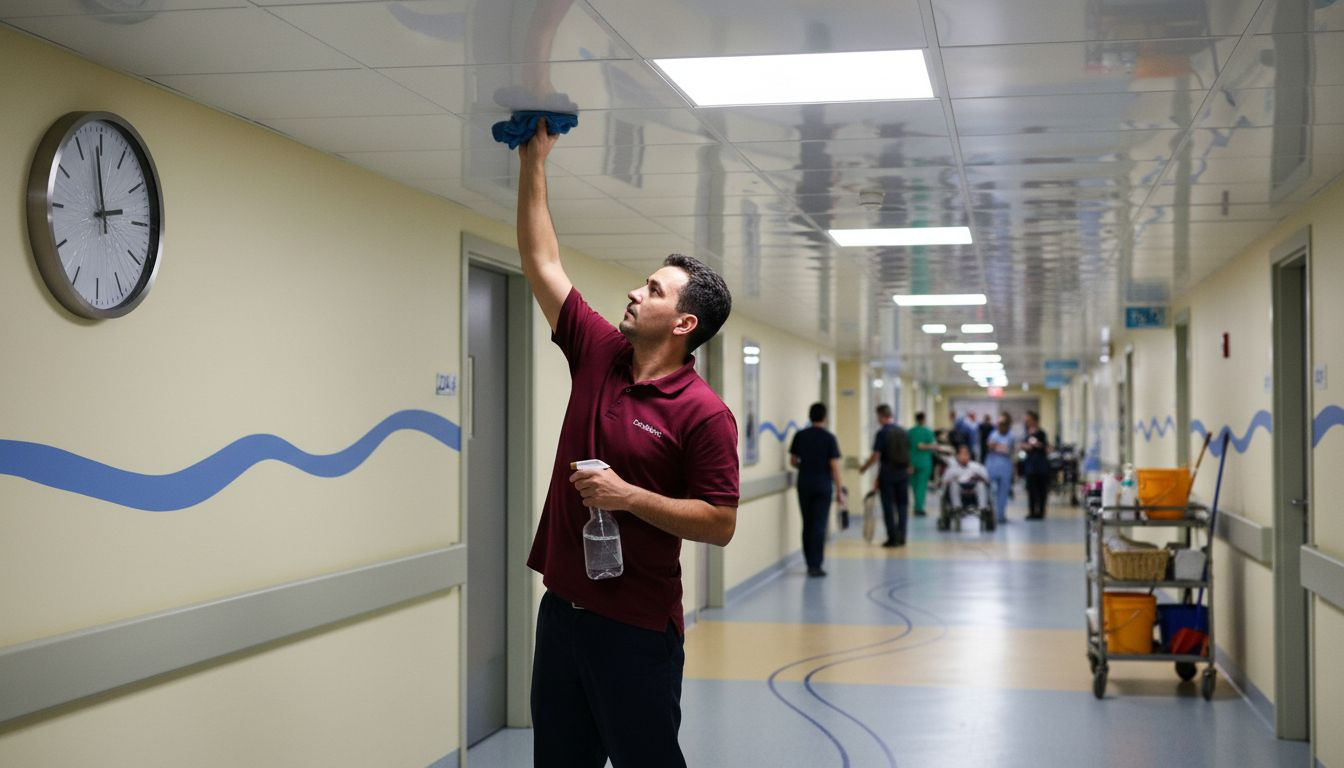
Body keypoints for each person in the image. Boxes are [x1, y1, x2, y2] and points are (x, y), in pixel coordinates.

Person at [517, 118, 739, 768]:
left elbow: (721, 522)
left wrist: (627, 496)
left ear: (684, 322)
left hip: (637, 627)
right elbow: (542, 262)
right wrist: (535, 162)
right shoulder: (600, 354)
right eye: (643, 284)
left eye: (653, 290)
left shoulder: (704, 414)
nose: (635, 294)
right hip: (562, 614)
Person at [789, 402, 843, 577]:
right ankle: (816, 565)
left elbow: (793, 461)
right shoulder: (829, 438)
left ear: (810, 416)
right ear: (825, 417)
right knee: (819, 525)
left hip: (804, 483)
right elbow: (834, 466)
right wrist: (840, 491)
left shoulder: (800, 435)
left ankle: (809, 563)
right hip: (823, 485)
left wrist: (806, 466)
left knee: (807, 524)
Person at [858, 404, 909, 547]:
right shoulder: (903, 432)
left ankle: (892, 538)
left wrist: (864, 468)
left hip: (888, 474)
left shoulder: (882, 433)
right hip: (903, 474)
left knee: (888, 507)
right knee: (902, 506)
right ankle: (902, 536)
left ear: (881, 416)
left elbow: (875, 456)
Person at [984, 413, 1017, 524]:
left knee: (1003, 492)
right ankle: (991, 514)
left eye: (1003, 424)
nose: (1000, 427)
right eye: (999, 424)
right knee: (991, 490)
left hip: (1005, 466)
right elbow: (990, 446)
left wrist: (998, 447)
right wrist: (1000, 447)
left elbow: (1010, 450)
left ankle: (1001, 515)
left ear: (1007, 425)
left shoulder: (1011, 436)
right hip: (992, 465)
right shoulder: (994, 434)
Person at [941, 443, 991, 511]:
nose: (964, 457)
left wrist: (978, 478)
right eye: (962, 454)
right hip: (959, 489)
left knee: (981, 485)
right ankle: (957, 508)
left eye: (966, 454)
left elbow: (987, 479)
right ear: (957, 456)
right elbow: (945, 482)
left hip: (973, 490)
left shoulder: (977, 467)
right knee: (953, 485)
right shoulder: (952, 469)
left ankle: (982, 508)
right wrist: (953, 480)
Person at [907, 411, 938, 518]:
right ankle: (919, 508)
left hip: (911, 461)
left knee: (915, 486)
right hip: (924, 462)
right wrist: (931, 446)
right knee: (922, 486)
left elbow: (907, 448)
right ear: (924, 419)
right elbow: (931, 446)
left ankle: (916, 505)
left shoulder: (909, 432)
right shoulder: (928, 432)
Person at [1022, 410, 1050, 519]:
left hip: (1041, 466)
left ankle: (1041, 512)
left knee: (1042, 490)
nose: (1026, 423)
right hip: (1030, 466)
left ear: (1034, 421)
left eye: (1028, 420)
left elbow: (1046, 447)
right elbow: (1024, 445)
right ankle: (1032, 512)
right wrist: (1025, 446)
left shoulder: (1041, 433)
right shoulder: (1027, 433)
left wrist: (1038, 445)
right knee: (1031, 490)